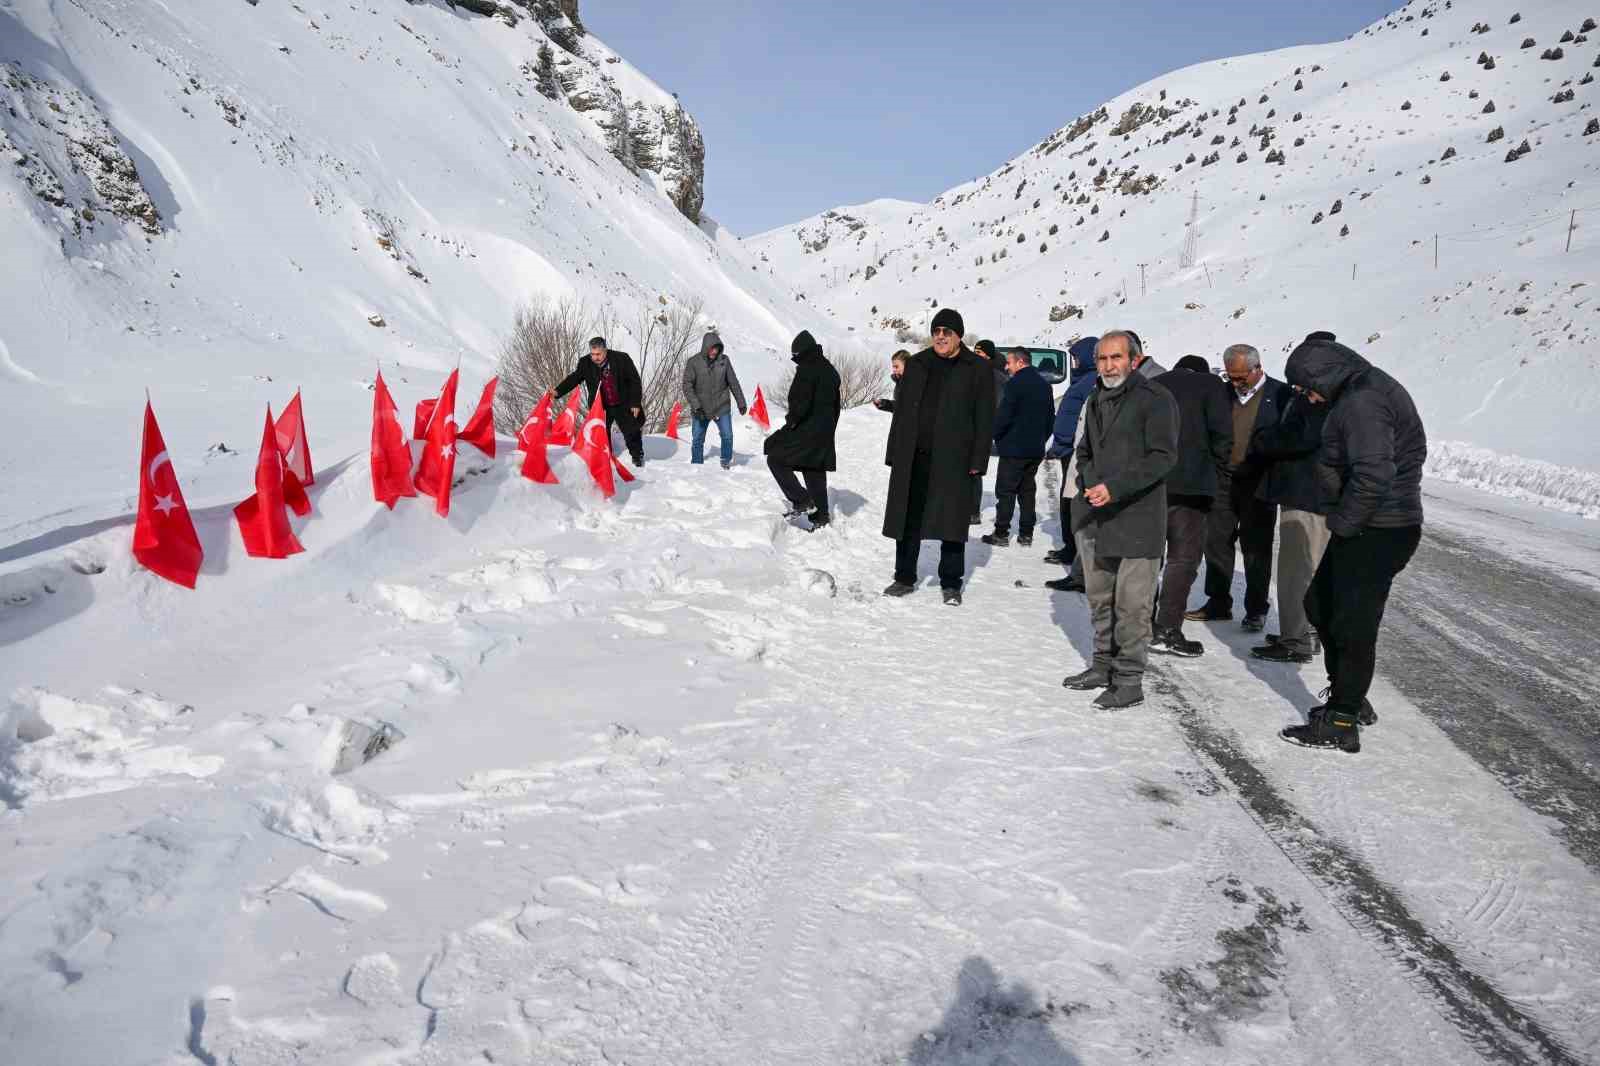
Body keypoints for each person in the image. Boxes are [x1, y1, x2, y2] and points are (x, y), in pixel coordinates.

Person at [1280, 337, 1426, 753]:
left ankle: (1343, 719)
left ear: (1324, 374)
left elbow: (1374, 473)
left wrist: (1343, 522)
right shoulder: (1361, 391)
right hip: (1370, 524)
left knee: (1352, 623)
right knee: (1321, 606)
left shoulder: (1363, 401)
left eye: (1307, 386)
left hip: (1378, 528)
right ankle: (1349, 696)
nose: (1307, 395)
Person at [1062, 330, 1178, 708]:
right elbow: (1084, 453)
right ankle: (1102, 665)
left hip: (1138, 517)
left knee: (1132, 604)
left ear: (1134, 359)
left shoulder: (1155, 399)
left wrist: (1115, 487)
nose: (1109, 365)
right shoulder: (1096, 397)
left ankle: (1129, 681)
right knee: (1100, 598)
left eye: (1116, 358)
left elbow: (1162, 457)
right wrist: (1094, 484)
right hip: (1096, 515)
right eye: (1103, 359)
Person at [881, 308, 995, 606]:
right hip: (915, 456)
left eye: (947, 332)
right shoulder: (917, 364)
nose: (941, 337)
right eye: (937, 332)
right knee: (908, 518)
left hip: (955, 458)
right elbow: (902, 412)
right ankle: (904, 576)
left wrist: (978, 461)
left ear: (959, 335)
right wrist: (894, 451)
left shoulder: (977, 369)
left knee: (952, 522)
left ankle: (951, 582)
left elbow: (985, 419)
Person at [1249, 331, 1336, 665]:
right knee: (1312, 569)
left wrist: (1265, 440)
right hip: (1319, 494)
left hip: (1305, 493)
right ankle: (1307, 633)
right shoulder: (1337, 390)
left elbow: (1298, 437)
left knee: (1295, 572)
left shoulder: (1316, 396)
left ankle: (1295, 640)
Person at [1187, 343, 1287, 631]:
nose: (1236, 382)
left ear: (1258, 369)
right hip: (1223, 481)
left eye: (1241, 377)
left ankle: (1256, 609)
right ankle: (1218, 602)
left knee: (1256, 548)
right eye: (1231, 376)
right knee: (1216, 542)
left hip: (1259, 484)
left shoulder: (1280, 395)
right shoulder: (1222, 393)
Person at [1149, 355, 1233, 657]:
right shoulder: (1211, 385)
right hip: (1193, 488)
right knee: (1183, 560)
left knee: (1149, 558)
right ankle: (1168, 629)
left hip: (1151, 485)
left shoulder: (1153, 384)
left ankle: (1142, 624)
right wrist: (1220, 480)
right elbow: (1223, 435)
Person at [765, 330, 842, 530]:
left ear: (802, 353)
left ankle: (801, 500)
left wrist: (788, 427)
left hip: (806, 429)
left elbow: (800, 405)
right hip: (824, 432)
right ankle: (821, 517)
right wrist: (828, 430)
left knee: (775, 457)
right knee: (813, 469)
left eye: (796, 357)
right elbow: (836, 407)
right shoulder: (830, 370)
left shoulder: (807, 369)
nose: (796, 362)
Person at [983, 347, 1055, 548]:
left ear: (1021, 363)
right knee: (1027, 490)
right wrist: (1041, 439)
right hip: (1035, 450)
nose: (1007, 366)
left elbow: (1004, 415)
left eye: (1010, 362)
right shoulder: (1045, 385)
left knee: (1006, 491)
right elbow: (1051, 419)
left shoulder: (1014, 384)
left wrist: (994, 436)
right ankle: (1026, 533)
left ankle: (1001, 533)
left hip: (1014, 449)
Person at [1043, 336, 1100, 589]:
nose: (1073, 363)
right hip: (1068, 449)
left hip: (1076, 450)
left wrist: (1064, 443)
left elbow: (1079, 419)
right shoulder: (1082, 380)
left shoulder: (1091, 382)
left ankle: (1077, 556)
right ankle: (1070, 550)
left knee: (1074, 506)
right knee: (1068, 504)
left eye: (1077, 358)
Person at [555, 336, 645, 466]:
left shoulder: (622, 359)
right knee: (601, 433)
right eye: (592, 354)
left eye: (598, 354)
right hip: (601, 406)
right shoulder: (585, 363)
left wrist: (635, 402)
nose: (595, 357)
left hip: (623, 402)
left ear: (605, 350)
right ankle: (606, 457)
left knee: (631, 430)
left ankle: (637, 456)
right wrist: (558, 391)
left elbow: (634, 380)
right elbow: (574, 378)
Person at [681, 331, 748, 468]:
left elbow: (733, 382)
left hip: (721, 406)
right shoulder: (694, 362)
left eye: (716, 348)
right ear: (705, 347)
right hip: (701, 408)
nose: (714, 351)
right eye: (712, 348)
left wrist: (741, 402)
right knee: (698, 439)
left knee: (727, 436)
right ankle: (697, 465)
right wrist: (696, 406)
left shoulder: (724, 361)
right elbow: (687, 386)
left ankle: (726, 462)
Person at [969, 339, 1008, 524]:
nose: (976, 355)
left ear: (988, 355)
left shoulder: (996, 377)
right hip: (970, 427)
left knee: (974, 470)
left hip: (983, 430)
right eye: (975, 352)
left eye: (980, 353)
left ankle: (973, 512)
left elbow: (996, 406)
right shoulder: (978, 372)